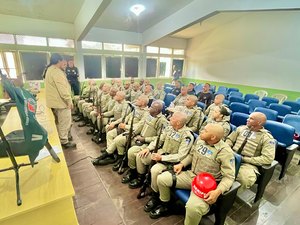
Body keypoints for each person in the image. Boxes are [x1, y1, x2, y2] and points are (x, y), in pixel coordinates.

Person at [145, 124, 235, 224]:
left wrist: (218, 191)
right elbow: (191, 155)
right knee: (162, 179)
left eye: (205, 131)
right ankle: (165, 205)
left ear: (213, 137)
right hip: (191, 175)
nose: (201, 131)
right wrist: (182, 164)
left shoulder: (225, 152)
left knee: (193, 208)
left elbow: (229, 177)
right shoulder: (200, 140)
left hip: (206, 186)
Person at [128, 111, 194, 189]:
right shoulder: (170, 128)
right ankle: (140, 179)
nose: (170, 118)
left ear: (178, 122)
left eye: (173, 117)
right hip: (161, 153)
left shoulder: (187, 136)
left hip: (171, 161)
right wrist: (148, 148)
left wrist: (162, 158)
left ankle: (155, 194)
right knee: (141, 155)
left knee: (155, 170)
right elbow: (159, 140)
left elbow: (181, 156)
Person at [121, 100, 167, 184]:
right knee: (130, 150)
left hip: (148, 143)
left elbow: (159, 138)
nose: (149, 108)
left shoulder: (162, 121)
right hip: (140, 138)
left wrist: (145, 139)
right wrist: (134, 133)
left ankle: (140, 177)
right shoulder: (149, 115)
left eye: (152, 107)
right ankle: (132, 172)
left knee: (134, 152)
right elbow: (141, 124)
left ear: (157, 110)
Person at [226, 112, 276, 189]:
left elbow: (268, 158)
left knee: (244, 179)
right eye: (249, 117)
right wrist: (228, 150)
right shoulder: (241, 128)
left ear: (259, 122)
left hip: (248, 164)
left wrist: (245, 159)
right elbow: (229, 140)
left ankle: (230, 196)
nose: (247, 119)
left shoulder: (267, 138)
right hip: (232, 155)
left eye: (251, 118)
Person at [44, 53, 76, 149]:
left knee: (61, 121)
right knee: (64, 122)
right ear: (59, 61)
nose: (64, 63)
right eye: (63, 61)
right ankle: (64, 141)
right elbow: (62, 89)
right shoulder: (56, 72)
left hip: (55, 101)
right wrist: (68, 100)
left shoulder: (50, 70)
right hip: (61, 102)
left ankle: (64, 137)